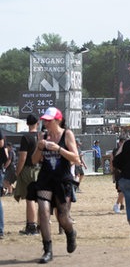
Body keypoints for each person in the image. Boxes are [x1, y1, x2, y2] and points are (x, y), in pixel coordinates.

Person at [31, 107, 80, 263]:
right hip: (45, 179)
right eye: (44, 120)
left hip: (62, 180)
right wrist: (39, 147)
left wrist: (59, 148)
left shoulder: (67, 134)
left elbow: (76, 158)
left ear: (58, 120)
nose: (46, 123)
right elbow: (34, 160)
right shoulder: (43, 135)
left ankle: (70, 233)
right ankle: (47, 250)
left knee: (62, 217)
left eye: (49, 120)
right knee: (43, 212)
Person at [14, 114, 41, 235]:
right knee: (41, 199)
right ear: (38, 123)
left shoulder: (26, 137)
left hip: (28, 169)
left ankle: (31, 226)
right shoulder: (41, 137)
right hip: (40, 169)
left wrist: (17, 172)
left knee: (30, 199)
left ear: (27, 123)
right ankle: (42, 225)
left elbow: (22, 158)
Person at [110, 136, 126, 214]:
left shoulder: (127, 150)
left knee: (123, 189)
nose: (122, 144)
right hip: (119, 173)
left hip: (126, 172)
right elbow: (112, 161)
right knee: (121, 189)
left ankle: (120, 204)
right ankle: (119, 204)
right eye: (122, 142)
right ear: (119, 142)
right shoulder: (115, 151)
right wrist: (112, 172)